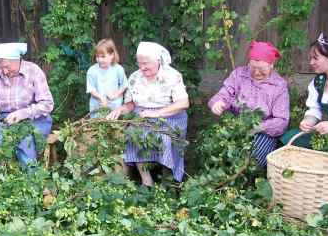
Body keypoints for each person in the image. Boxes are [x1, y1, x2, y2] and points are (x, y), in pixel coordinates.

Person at [281, 33, 328, 202]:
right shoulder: (317, 82)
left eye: (315, 58)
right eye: (310, 58)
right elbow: (315, 110)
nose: (311, 62)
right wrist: (308, 121)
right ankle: (296, 188)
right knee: (287, 139)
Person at [107, 41, 189, 186]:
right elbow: (131, 104)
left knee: (164, 139)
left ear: (157, 60)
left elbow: (183, 104)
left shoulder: (172, 76)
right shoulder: (135, 77)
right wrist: (120, 109)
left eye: (146, 63)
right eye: (139, 63)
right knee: (133, 135)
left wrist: (157, 113)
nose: (142, 67)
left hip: (170, 116)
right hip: (143, 116)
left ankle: (169, 180)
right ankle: (146, 180)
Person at [208, 41, 289, 167]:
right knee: (219, 150)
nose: (256, 73)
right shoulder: (238, 75)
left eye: (261, 69)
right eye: (252, 67)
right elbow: (224, 94)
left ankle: (251, 181)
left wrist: (257, 127)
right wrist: (217, 103)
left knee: (252, 159)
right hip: (237, 126)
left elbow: (281, 121)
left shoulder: (279, 85)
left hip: (263, 132)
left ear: (271, 65)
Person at [0, 42, 54, 166]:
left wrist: (23, 113)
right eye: (1, 67)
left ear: (17, 60)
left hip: (35, 119)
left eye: (7, 67)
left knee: (24, 139)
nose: (4, 71)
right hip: (6, 119)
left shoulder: (33, 71)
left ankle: (30, 179)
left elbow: (47, 104)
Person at [86, 38, 127, 117]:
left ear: (112, 55)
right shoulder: (92, 70)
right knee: (97, 127)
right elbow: (91, 89)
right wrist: (101, 97)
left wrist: (116, 94)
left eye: (103, 57)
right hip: (97, 105)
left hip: (114, 105)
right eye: (97, 57)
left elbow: (124, 85)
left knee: (113, 126)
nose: (100, 60)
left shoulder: (118, 69)